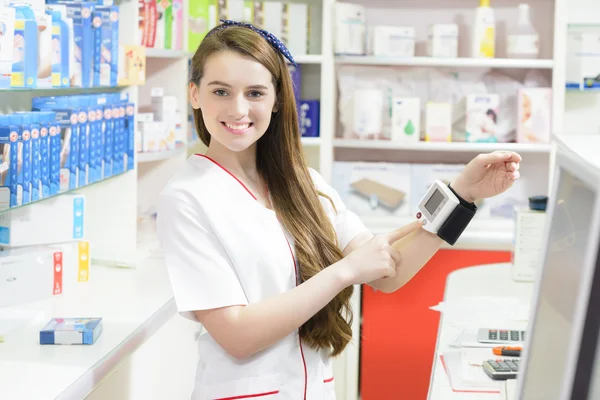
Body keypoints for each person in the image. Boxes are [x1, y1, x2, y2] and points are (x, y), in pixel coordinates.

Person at [156, 20, 522, 400]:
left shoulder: (304, 182)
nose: (238, 108)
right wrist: (343, 272)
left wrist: (462, 194)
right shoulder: (186, 198)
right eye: (221, 91)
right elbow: (236, 334)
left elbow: (388, 271)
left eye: (255, 92)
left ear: (278, 99)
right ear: (195, 94)